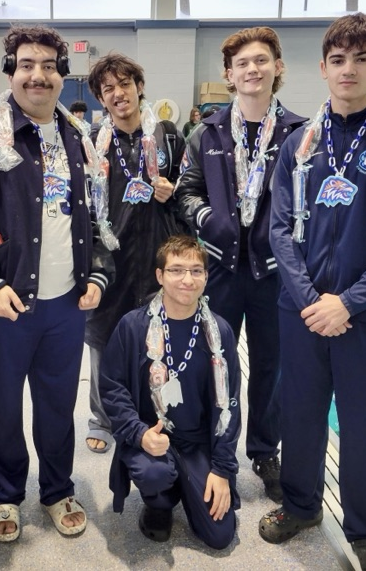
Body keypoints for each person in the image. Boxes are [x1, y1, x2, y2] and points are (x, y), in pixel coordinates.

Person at [260, 13, 366, 571]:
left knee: (365, 426)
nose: (349, 70)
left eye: (361, 59)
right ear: (323, 68)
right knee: (301, 416)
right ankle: (303, 506)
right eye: (338, 60)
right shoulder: (299, 145)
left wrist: (349, 301)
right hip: (302, 311)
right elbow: (279, 229)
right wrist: (312, 300)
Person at [0, 24, 114, 543]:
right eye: (27, 64)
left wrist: (99, 272)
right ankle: (6, 492)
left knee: (59, 404)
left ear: (63, 74)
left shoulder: (81, 139)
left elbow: (102, 217)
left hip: (65, 305)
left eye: (49, 66)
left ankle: (57, 489)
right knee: (2, 405)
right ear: (10, 70)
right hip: (6, 303)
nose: (39, 75)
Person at [177, 26, 307, 503]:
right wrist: (209, 218)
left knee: (271, 368)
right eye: (242, 64)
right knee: (216, 361)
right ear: (229, 75)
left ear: (277, 68)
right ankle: (216, 449)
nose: (252, 69)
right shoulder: (206, 132)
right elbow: (186, 192)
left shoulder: (301, 133)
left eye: (261, 60)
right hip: (222, 270)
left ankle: (264, 450)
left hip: (276, 275)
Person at [99, 235, 240, 549]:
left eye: (196, 271)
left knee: (219, 536)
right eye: (176, 270)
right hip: (152, 436)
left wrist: (221, 469)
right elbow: (112, 386)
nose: (187, 279)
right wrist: (138, 434)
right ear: (160, 276)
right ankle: (159, 502)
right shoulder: (133, 327)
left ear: (206, 277)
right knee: (154, 476)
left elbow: (230, 404)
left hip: (197, 440)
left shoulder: (219, 333)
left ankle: (189, 480)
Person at [84, 53, 186, 454]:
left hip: (156, 252)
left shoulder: (168, 135)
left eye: (124, 84)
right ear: (101, 99)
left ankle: (152, 412)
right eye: (108, 89)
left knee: (158, 339)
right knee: (102, 339)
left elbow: (189, 188)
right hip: (111, 255)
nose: (118, 93)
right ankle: (102, 418)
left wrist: (172, 190)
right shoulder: (92, 142)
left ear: (139, 87)